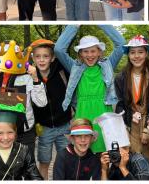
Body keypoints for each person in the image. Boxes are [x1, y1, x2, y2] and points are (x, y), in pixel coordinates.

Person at [54, 25, 127, 153]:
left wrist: (101, 24)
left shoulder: (108, 64)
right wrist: (74, 26)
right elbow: (59, 49)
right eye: (85, 51)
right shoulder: (74, 67)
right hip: (83, 113)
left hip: (103, 113)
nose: (90, 55)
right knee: (83, 152)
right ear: (80, 54)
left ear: (99, 52)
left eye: (93, 51)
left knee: (104, 154)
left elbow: (121, 44)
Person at [113, 35, 149, 165]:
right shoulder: (121, 77)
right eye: (132, 52)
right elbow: (120, 103)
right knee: (132, 159)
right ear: (128, 55)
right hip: (131, 122)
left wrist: (147, 129)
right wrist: (124, 128)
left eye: (140, 52)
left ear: (146, 53)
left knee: (147, 160)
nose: (136, 56)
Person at [28, 39, 72, 179]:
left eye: (46, 56)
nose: (41, 60)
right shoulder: (30, 76)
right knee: (44, 162)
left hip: (64, 125)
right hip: (44, 127)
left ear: (52, 57)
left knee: (65, 161)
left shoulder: (62, 70)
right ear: (33, 58)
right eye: (38, 56)